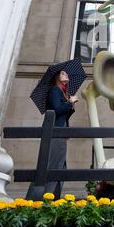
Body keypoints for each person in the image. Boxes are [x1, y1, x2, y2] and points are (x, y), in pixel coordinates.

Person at [27, 70, 78, 199]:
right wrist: (70, 102)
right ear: (57, 77)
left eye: (67, 73)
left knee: (59, 165)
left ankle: (52, 198)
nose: (66, 75)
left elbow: (63, 113)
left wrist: (69, 104)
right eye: (62, 74)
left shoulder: (62, 92)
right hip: (54, 131)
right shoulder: (55, 90)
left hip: (61, 131)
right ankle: (38, 199)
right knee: (51, 164)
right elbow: (56, 109)